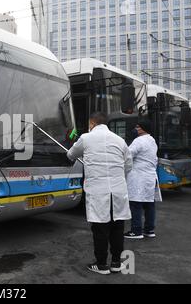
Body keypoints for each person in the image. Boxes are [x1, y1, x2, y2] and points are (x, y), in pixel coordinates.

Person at [67, 112, 133, 275]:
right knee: (117, 227)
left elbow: (70, 155)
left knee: (100, 228)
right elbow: (129, 165)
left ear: (92, 123)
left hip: (98, 191)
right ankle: (117, 263)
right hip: (118, 190)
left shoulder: (86, 138)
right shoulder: (120, 140)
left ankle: (102, 264)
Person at [125, 121, 162, 240]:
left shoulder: (139, 140)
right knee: (149, 203)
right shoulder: (152, 141)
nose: (136, 128)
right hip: (150, 177)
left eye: (137, 127)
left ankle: (136, 231)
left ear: (142, 129)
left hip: (138, 176)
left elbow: (128, 155)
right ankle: (149, 230)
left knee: (136, 203)